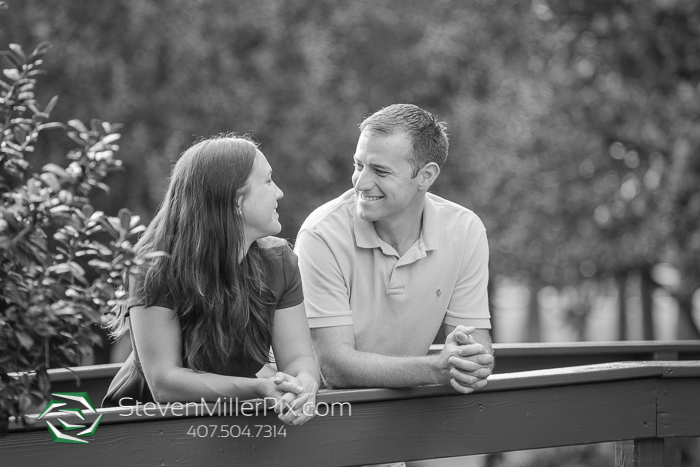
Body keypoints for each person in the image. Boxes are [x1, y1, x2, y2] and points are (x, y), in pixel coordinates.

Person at [104, 135, 320, 426]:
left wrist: (303, 386)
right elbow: (164, 382)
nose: (279, 192)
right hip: (142, 426)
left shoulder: (279, 261)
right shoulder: (152, 267)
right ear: (235, 200)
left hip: (223, 422)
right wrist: (259, 388)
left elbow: (297, 358)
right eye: (268, 181)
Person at [295, 104, 494, 394]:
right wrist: (434, 368)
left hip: (403, 414)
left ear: (425, 176)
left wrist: (471, 362)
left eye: (380, 170)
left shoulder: (466, 230)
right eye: (358, 165)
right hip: (315, 413)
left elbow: (476, 347)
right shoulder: (321, 235)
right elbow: (334, 367)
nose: (361, 182)